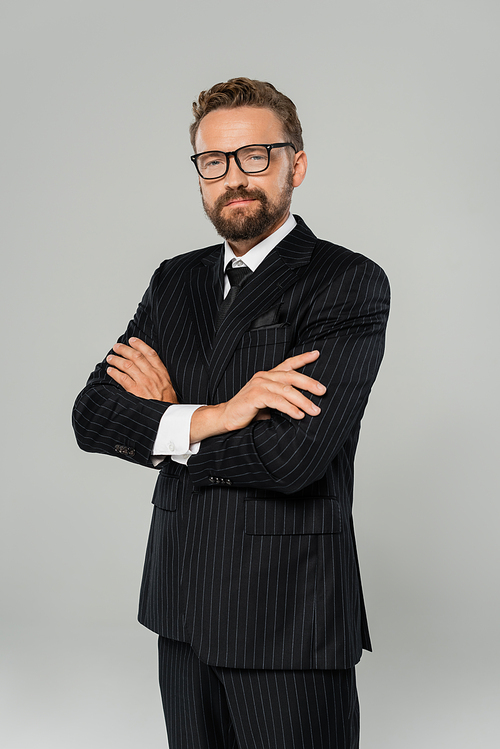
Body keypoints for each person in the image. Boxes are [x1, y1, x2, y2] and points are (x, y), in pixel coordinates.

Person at [73, 77, 390, 749]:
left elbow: (293, 457)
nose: (233, 178)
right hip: (181, 603)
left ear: (295, 165)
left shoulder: (345, 281)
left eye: (254, 156)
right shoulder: (175, 279)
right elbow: (93, 414)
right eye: (213, 161)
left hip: (287, 617)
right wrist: (215, 415)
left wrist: (165, 416)